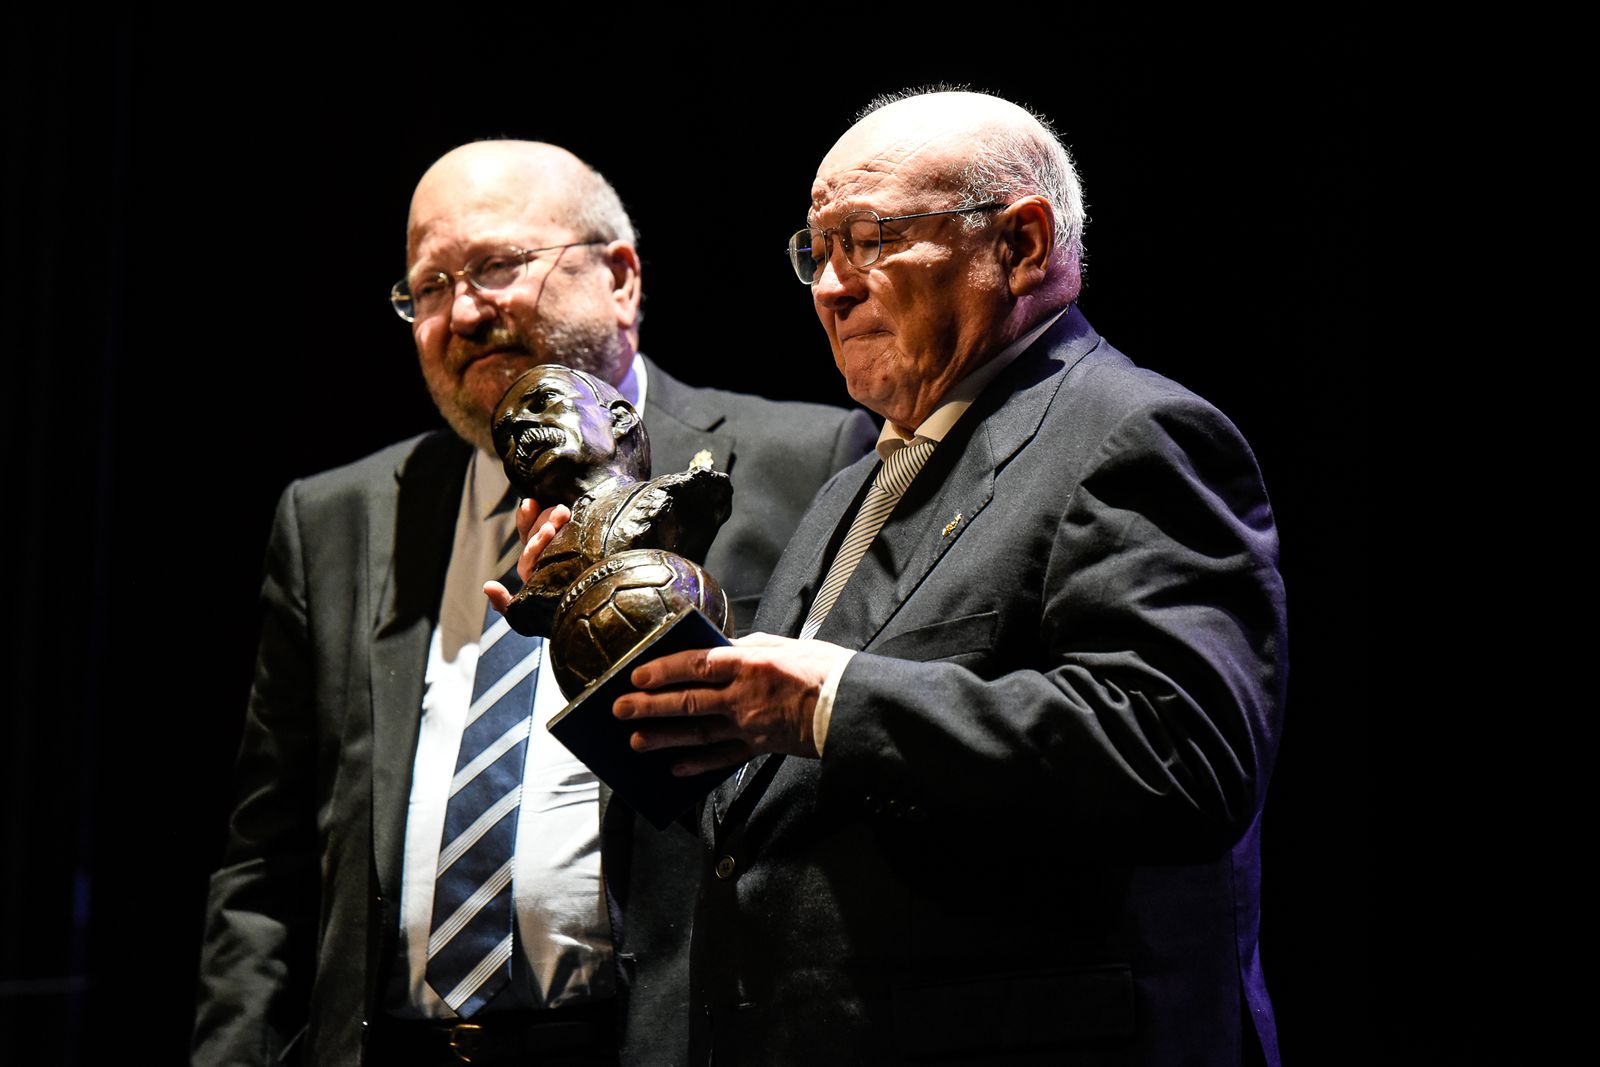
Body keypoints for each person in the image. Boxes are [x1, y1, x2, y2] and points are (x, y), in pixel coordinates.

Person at [602, 90, 1288, 1065]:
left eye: (870, 237)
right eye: (816, 248)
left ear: (1019, 243)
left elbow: (1180, 752)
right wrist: (617, 649)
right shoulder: (854, 483)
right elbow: (759, 804)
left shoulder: (1130, 433)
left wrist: (829, 700)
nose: (831, 286)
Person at [191, 140, 876, 1066]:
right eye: (427, 287)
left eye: (497, 266)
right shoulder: (336, 517)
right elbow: (263, 863)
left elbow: (839, 786)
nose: (462, 311)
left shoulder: (804, 462)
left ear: (621, 277)